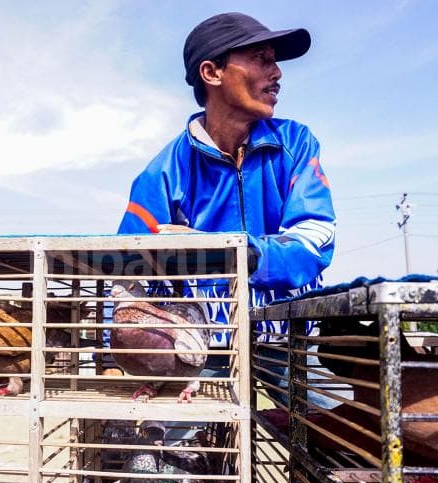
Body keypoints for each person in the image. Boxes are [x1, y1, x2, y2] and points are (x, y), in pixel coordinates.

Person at [115, 12, 343, 410]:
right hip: (199, 350)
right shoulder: (163, 173)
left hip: (288, 339)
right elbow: (126, 271)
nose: (277, 73)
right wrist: (120, 356)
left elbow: (314, 240)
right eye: (261, 58)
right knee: (172, 458)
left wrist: (233, 251)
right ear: (212, 72)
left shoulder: (296, 143)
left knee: (348, 436)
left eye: (275, 60)